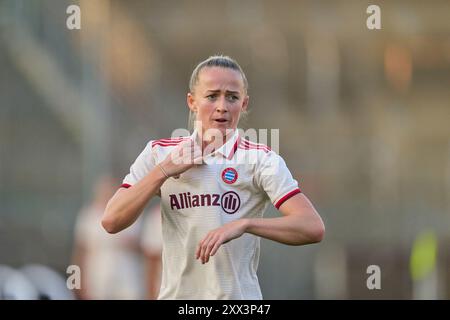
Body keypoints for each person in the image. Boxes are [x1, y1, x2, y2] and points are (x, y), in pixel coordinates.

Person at [102, 55, 325, 299]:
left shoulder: (261, 159)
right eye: (212, 96)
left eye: (232, 97)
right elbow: (112, 221)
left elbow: (311, 227)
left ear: (244, 103)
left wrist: (245, 225)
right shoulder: (160, 153)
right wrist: (164, 171)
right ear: (192, 101)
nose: (222, 106)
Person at [72, 175, 145, 299]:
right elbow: (80, 251)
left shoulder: (132, 212)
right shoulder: (88, 215)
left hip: (127, 274)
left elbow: (145, 249)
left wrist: (130, 245)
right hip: (97, 274)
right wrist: (77, 282)